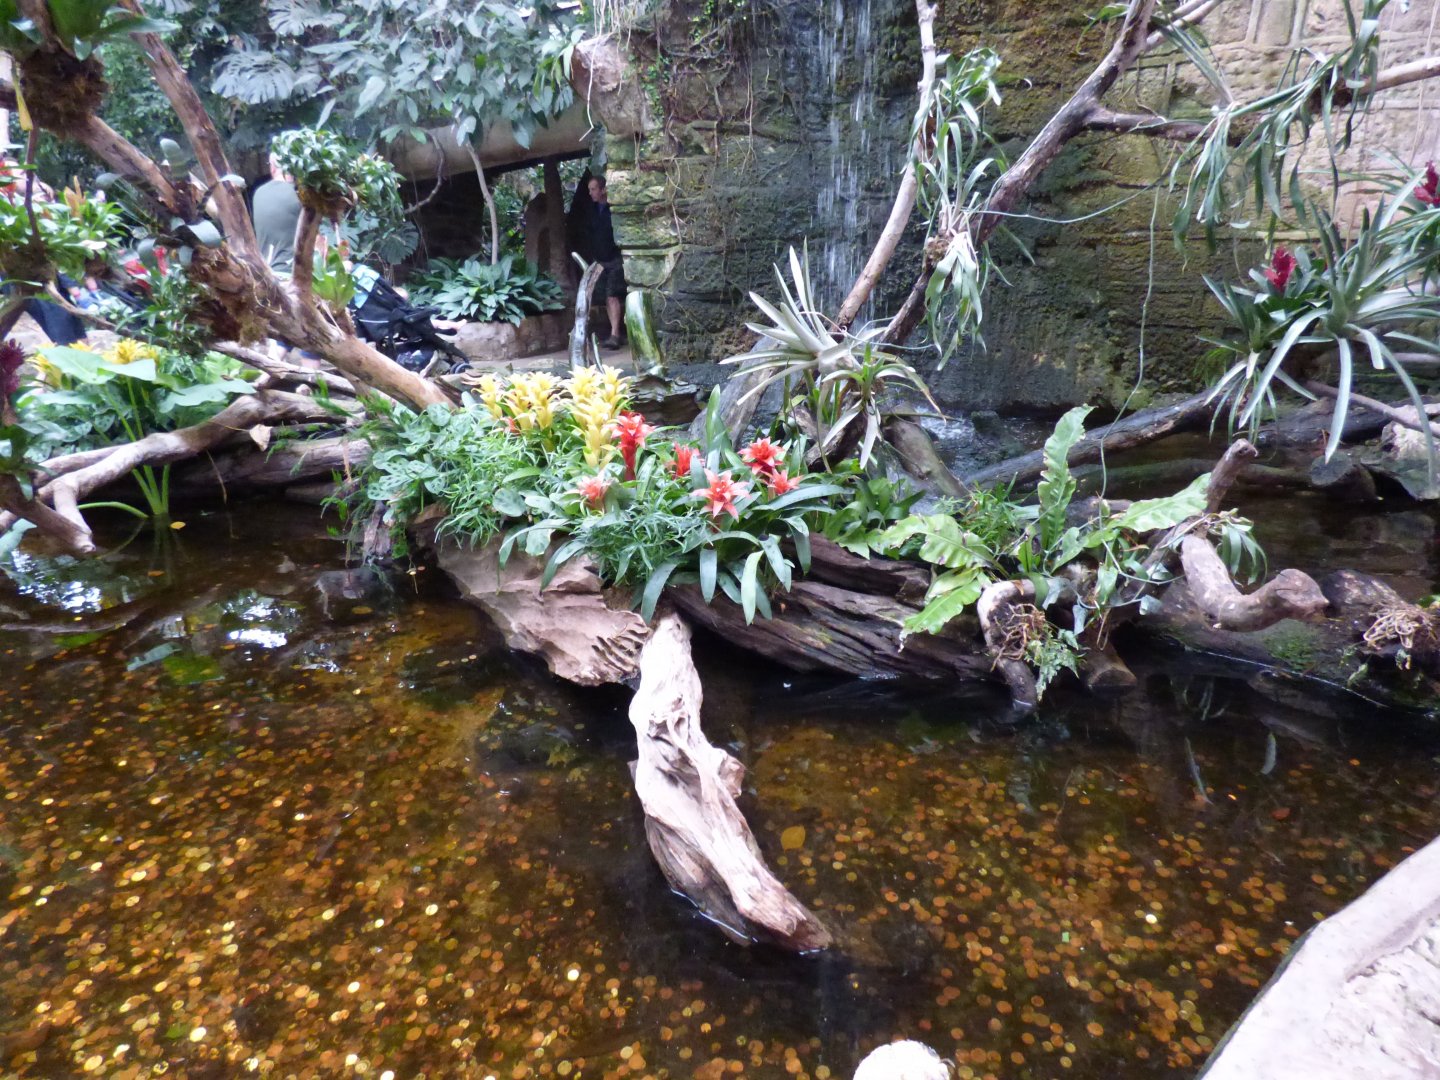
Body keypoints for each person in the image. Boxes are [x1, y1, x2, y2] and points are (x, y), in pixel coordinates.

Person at [584, 174, 627, 350]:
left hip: (614, 259)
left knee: (612, 296)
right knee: (606, 298)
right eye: (589, 190)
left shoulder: (613, 209)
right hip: (600, 260)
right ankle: (614, 333)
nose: (590, 193)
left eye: (593, 189)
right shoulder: (592, 210)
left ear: (603, 190)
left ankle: (615, 335)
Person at [252, 151, 303, 273]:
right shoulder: (301, 195)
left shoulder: (258, 193)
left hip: (266, 273)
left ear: (273, 167)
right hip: (293, 273)